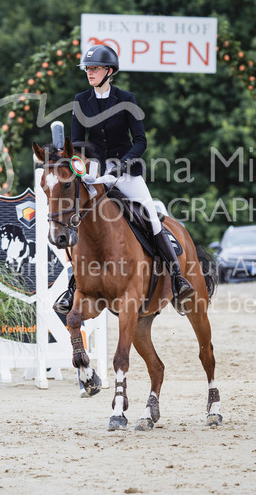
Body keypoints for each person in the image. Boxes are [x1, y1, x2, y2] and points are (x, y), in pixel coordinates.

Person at [53, 44, 194, 315]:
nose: (89, 73)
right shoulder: (80, 101)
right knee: (79, 222)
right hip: (95, 172)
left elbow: (140, 140)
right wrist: (81, 168)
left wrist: (123, 164)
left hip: (126, 172)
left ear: (109, 71)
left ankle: (177, 278)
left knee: (152, 216)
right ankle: (74, 285)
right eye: (87, 69)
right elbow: (77, 143)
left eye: (95, 69)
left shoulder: (126, 99)